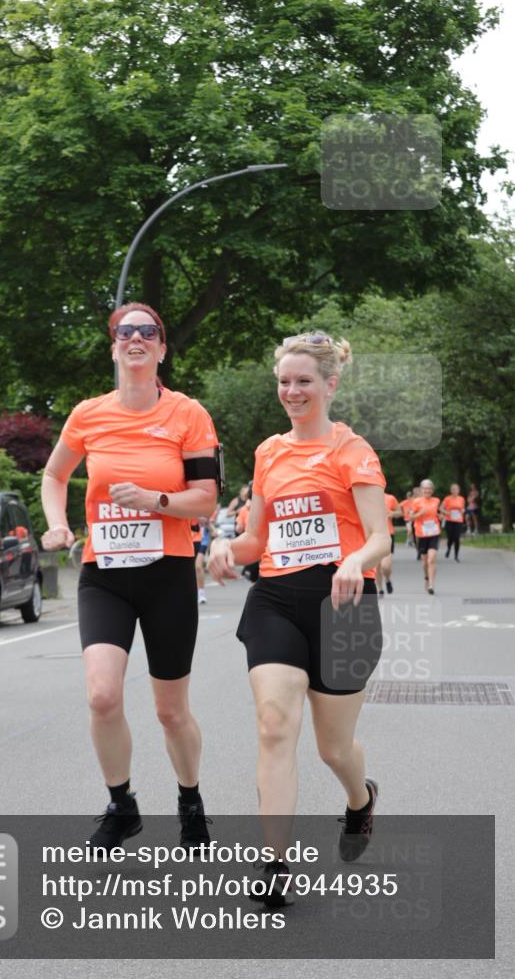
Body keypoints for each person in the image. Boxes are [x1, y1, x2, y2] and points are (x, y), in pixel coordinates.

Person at [209, 331, 389, 904]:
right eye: (284, 382)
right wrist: (223, 550)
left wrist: (355, 560)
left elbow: (381, 538)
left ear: (330, 385)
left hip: (344, 606)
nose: (292, 391)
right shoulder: (269, 452)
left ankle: (359, 800)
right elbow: (256, 538)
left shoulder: (352, 450)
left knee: (333, 749)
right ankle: (275, 866)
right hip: (277, 600)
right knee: (274, 725)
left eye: (304, 381)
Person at [41, 303, 219, 852]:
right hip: (105, 573)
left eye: (148, 331)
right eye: (125, 331)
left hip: (167, 573)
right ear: (114, 347)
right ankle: (122, 805)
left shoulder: (189, 414)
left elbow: (206, 502)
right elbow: (54, 473)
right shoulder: (88, 414)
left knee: (170, 710)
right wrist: (56, 524)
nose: (136, 338)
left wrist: (154, 500)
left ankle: (191, 802)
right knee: (101, 696)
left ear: (162, 349)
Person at [409, 479, 441, 593]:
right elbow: (410, 517)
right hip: (421, 534)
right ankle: (426, 577)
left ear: (432, 490)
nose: (427, 490)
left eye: (429, 488)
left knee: (431, 559)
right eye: (425, 489)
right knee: (425, 561)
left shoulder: (436, 501)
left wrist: (440, 516)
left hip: (434, 533)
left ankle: (431, 585)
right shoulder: (416, 502)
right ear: (421, 490)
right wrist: (419, 514)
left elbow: (438, 513)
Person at [375, 491, 400, 595]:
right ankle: (380, 588)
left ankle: (388, 579)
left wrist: (392, 514)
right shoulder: (366, 498)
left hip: (388, 534)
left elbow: (400, 512)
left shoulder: (390, 498)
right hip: (372, 535)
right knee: (376, 566)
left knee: (385, 566)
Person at [441, 483, 465, 562]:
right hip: (449, 520)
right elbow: (441, 508)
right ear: (451, 490)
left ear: (458, 490)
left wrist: (463, 511)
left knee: (457, 538)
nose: (454, 491)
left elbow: (463, 509)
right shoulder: (447, 499)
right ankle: (448, 548)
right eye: (453, 489)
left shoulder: (461, 499)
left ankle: (456, 556)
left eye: (456, 489)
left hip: (458, 520)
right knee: (450, 538)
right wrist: (446, 512)